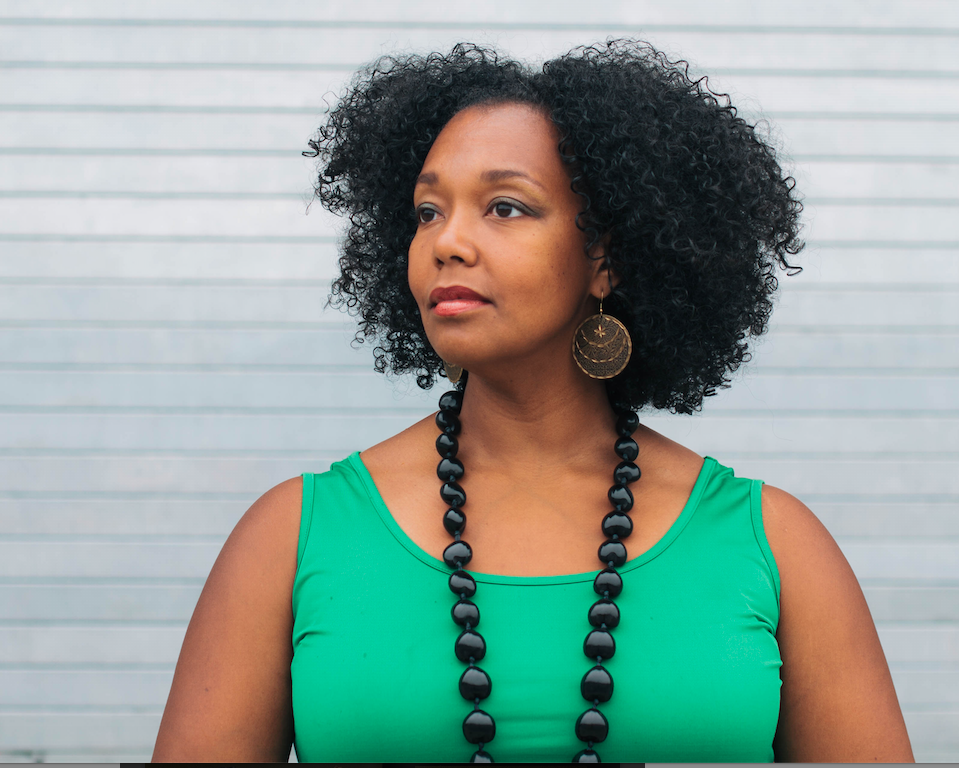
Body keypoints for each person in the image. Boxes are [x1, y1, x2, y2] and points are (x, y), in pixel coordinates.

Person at [152, 41, 914, 763]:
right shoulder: (291, 536)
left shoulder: (772, 544)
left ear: (606, 258)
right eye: (426, 212)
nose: (447, 242)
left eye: (504, 208)